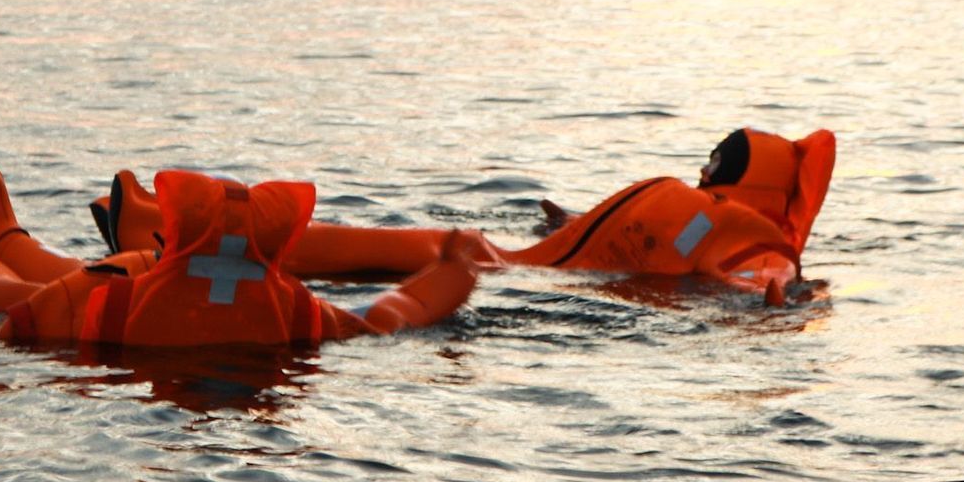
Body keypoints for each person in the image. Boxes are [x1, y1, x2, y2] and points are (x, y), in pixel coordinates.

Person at [89, 128, 837, 305]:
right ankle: (174, 231)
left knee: (450, 250)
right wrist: (569, 224)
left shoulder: (756, 236)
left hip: (530, 280)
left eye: (723, 165)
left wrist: (766, 295)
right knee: (449, 244)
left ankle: (171, 242)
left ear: (753, 184)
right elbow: (626, 234)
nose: (707, 171)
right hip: (537, 262)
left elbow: (760, 275)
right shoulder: (710, 212)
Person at [0, 165, 488, 347]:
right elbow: (396, 314)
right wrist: (456, 268)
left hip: (108, 312)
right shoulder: (297, 314)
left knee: (6, 305)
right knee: (24, 300)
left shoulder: (116, 297)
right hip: (137, 312)